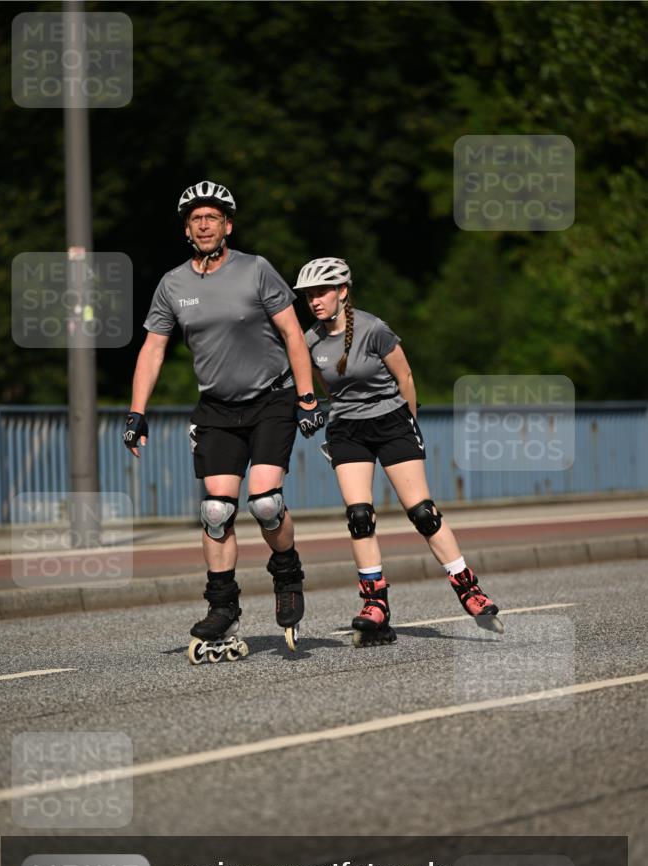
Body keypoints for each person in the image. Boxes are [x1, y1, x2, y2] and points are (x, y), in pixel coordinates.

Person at [123, 181, 324, 661]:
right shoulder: (173, 284)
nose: (204, 224)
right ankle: (222, 607)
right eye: (196, 219)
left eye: (213, 217)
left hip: (272, 399)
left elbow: (294, 335)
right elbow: (153, 349)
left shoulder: (256, 270)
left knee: (267, 502)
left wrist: (308, 398)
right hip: (216, 407)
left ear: (228, 225)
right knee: (216, 513)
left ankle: (287, 575)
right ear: (187, 229)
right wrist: (137, 412)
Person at [294, 256, 503, 647]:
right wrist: (340, 416)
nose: (314, 301)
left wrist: (409, 423)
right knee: (359, 516)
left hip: (392, 421)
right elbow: (328, 388)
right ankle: (375, 603)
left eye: (321, 292)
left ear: (342, 292)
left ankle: (467, 588)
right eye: (308, 296)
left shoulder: (373, 329)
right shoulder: (310, 341)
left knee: (422, 512)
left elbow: (404, 376)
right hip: (347, 429)